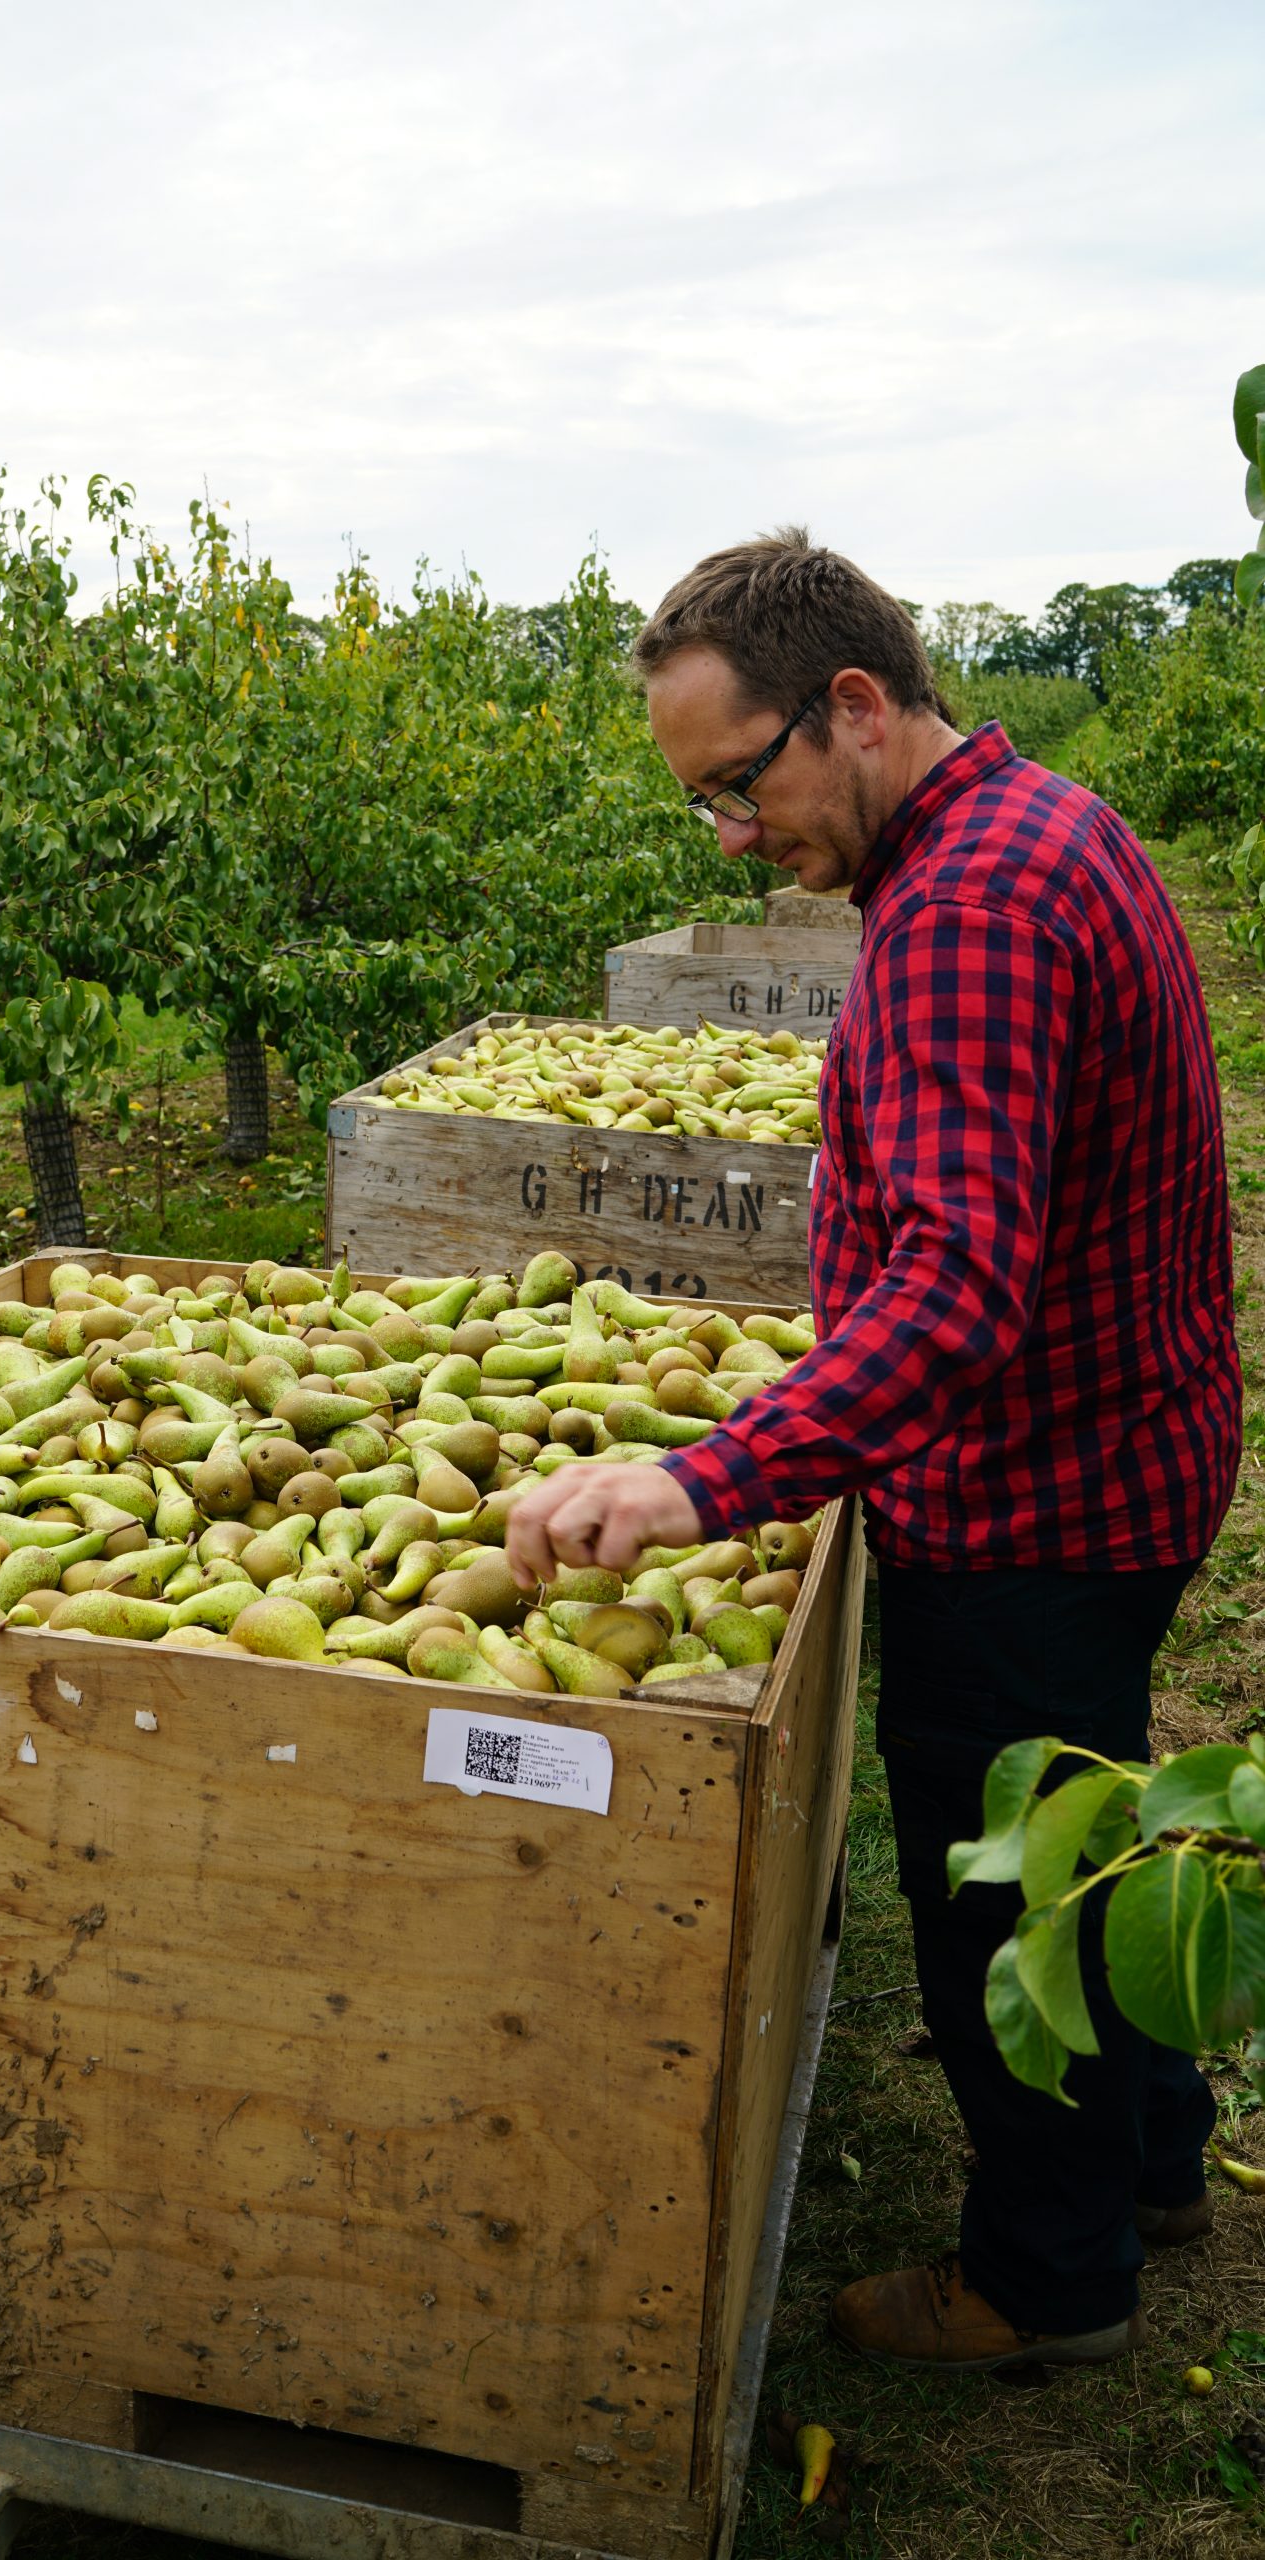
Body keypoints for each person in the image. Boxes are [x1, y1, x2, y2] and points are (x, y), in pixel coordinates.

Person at [505, 529, 1241, 2374]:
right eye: (707, 811)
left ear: (848, 704)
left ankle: (1043, 2280)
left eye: (739, 786)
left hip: (1032, 1497)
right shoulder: (1046, 825)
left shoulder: (970, 911)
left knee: (999, 1876)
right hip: (1129, 1446)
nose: (736, 840)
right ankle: (1152, 2157)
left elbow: (960, 1292)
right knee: (1094, 1819)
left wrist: (704, 1476)